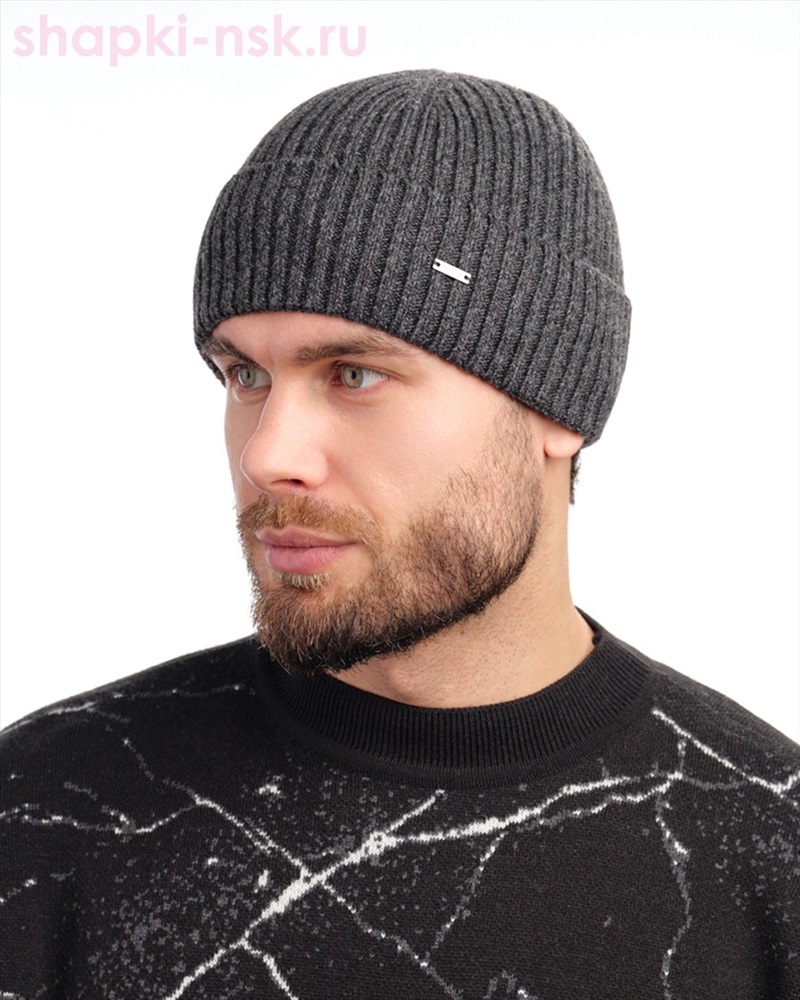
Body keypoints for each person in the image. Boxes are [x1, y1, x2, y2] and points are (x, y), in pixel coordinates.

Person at [1, 69, 797, 1000]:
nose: (268, 454)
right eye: (244, 376)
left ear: (558, 406)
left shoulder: (766, 847)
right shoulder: (43, 813)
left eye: (354, 374)